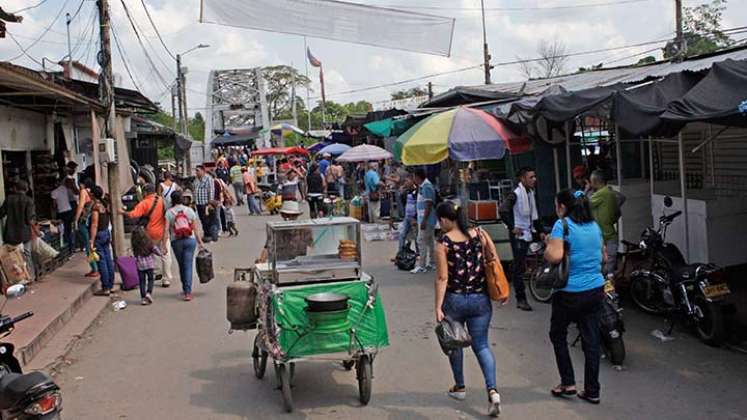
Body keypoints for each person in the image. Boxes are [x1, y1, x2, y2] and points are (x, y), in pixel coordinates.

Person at [434, 201, 501, 417]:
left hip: (455, 300)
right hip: (481, 299)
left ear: (445, 220)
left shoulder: (443, 243)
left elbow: (443, 278)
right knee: (481, 345)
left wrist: (438, 306)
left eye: (440, 220)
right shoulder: (479, 234)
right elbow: (493, 258)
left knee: (455, 343)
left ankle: (460, 386)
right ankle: (493, 392)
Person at [545, 189, 606, 405]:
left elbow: (554, 256)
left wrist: (547, 246)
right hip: (596, 290)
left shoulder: (562, 225)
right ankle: (593, 391)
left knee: (558, 334)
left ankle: (568, 382)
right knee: (591, 341)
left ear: (562, 207)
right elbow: (603, 255)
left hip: (570, 293)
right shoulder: (594, 226)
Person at [499, 167, 542, 311]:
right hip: (519, 234)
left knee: (522, 264)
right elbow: (503, 210)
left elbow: (534, 216)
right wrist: (512, 227)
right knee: (519, 267)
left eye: (534, 176)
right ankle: (521, 299)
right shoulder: (516, 194)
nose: (534, 179)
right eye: (531, 177)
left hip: (529, 231)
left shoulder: (530, 193)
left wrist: (540, 231)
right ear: (522, 179)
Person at [120, 183, 170, 288]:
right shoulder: (162, 200)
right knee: (165, 254)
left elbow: (133, 214)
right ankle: (166, 279)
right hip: (163, 232)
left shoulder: (144, 203)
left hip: (150, 233)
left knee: (150, 253)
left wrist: (122, 212)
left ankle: (155, 271)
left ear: (146, 192)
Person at [165, 190, 205, 301]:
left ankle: (185, 287)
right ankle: (188, 292)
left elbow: (166, 230)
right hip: (190, 240)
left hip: (176, 241)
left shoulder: (169, 213)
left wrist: (164, 244)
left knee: (181, 264)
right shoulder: (189, 211)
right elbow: (195, 229)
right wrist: (200, 242)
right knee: (188, 265)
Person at [589, 170, 619, 277]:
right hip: (610, 232)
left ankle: (606, 286)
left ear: (595, 181)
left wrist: (587, 190)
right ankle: (610, 286)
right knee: (610, 264)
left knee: (604, 265)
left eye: (591, 182)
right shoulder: (610, 192)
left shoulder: (601, 193)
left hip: (603, 235)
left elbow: (585, 203)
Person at [89, 186, 115, 296]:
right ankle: (110, 284)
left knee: (102, 261)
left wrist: (91, 240)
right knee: (108, 259)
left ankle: (105, 287)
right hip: (106, 233)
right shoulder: (105, 204)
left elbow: (94, 224)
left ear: (93, 195)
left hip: (99, 235)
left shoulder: (96, 207)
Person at [411, 168, 436, 274]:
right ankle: (432, 262)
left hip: (427, 220)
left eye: (414, 177)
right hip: (425, 219)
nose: (413, 179)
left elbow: (428, 205)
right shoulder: (422, 187)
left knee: (421, 241)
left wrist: (424, 221)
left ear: (418, 177)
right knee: (430, 242)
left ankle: (422, 265)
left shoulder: (427, 187)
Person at [73, 178, 98, 278]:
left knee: (88, 246)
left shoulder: (83, 191)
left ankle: (94, 268)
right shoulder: (92, 193)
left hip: (84, 221)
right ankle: (96, 267)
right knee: (91, 244)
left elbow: (80, 206)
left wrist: (76, 219)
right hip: (90, 221)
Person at [132, 229, 160, 305]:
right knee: (151, 279)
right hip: (150, 265)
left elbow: (135, 255)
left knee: (142, 282)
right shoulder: (149, 243)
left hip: (140, 266)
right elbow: (156, 250)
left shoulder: (135, 245)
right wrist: (160, 253)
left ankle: (143, 298)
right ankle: (149, 293)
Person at [193, 166, 217, 242]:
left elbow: (211, 191)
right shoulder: (196, 180)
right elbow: (194, 191)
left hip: (206, 204)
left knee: (208, 220)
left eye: (198, 170)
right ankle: (206, 235)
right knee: (203, 220)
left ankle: (211, 235)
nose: (196, 172)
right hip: (199, 203)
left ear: (203, 171)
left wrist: (210, 203)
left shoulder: (208, 179)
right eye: (196, 171)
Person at [51, 178, 75, 254]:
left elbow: (54, 205)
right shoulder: (64, 188)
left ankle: (67, 248)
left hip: (62, 212)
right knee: (69, 229)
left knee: (63, 230)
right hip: (69, 210)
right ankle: (71, 248)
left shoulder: (54, 192)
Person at [396, 174, 418, 255]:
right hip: (407, 217)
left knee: (416, 236)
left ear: (412, 181)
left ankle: (418, 253)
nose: (405, 183)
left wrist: (415, 217)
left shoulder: (417, 191)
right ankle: (400, 252)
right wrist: (401, 192)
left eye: (407, 181)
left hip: (414, 218)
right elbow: (403, 202)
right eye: (405, 181)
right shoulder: (406, 192)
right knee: (402, 234)